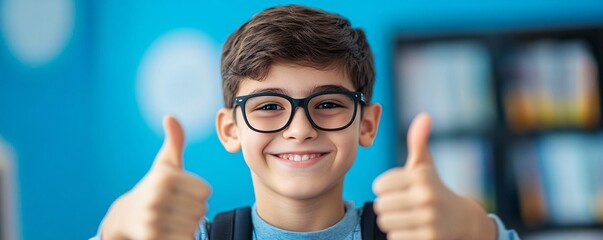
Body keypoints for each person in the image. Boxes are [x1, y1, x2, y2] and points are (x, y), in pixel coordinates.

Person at [93, 4, 519, 240]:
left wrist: (474, 230)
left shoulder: (417, 237)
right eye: (268, 106)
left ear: (367, 124)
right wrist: (118, 229)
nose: (300, 129)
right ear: (230, 129)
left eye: (329, 103)